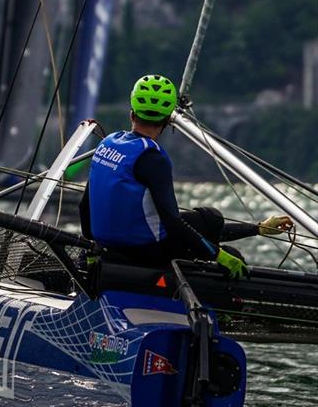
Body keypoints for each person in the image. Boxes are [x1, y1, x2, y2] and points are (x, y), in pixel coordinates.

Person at [79, 74, 293, 278]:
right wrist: (219, 255)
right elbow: (173, 222)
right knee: (213, 223)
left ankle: (260, 228)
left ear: (132, 114)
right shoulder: (152, 158)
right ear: (167, 121)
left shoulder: (107, 144)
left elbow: (84, 207)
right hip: (144, 252)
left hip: (107, 246)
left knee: (204, 223)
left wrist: (93, 245)